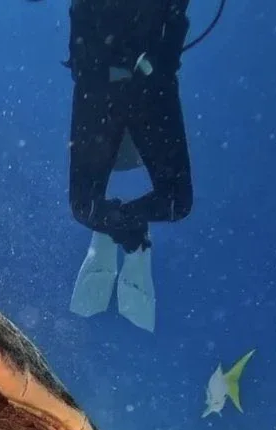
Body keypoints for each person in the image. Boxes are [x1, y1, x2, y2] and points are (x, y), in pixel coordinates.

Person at [64, 0, 193, 332]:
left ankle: (119, 225)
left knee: (177, 202)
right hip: (103, 85)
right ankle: (124, 230)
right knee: (85, 207)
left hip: (147, 87)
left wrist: (160, 66)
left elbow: (176, 22)